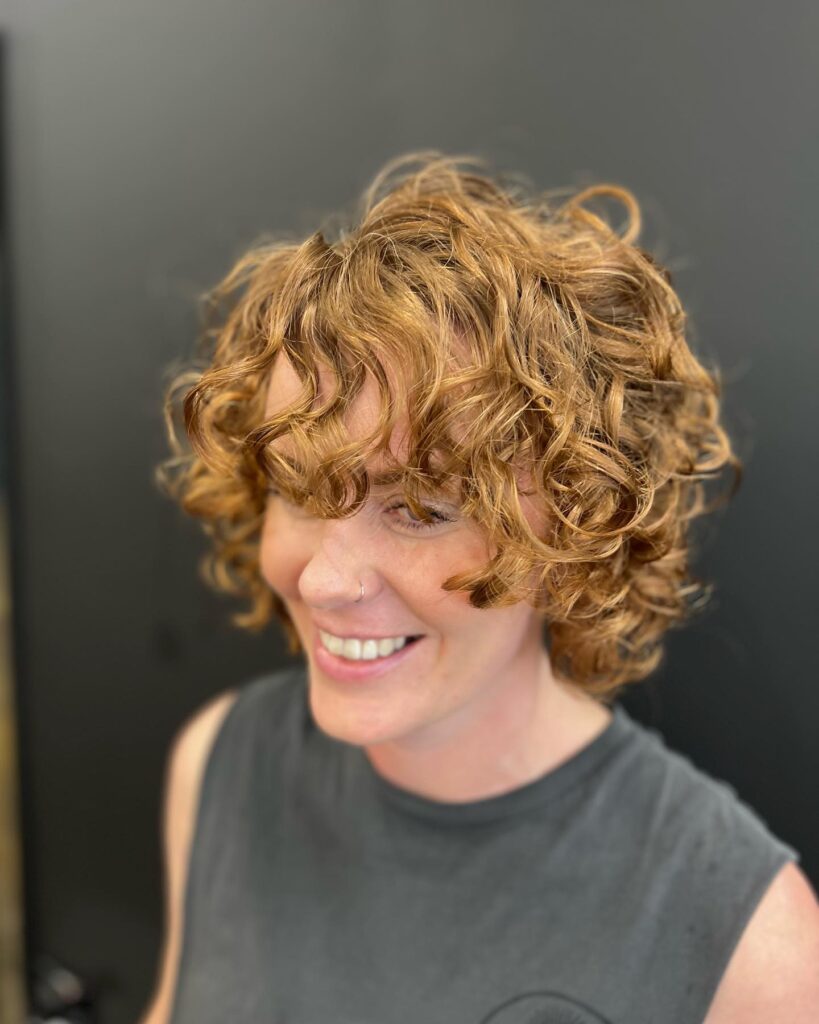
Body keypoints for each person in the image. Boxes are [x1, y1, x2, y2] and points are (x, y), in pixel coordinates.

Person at [141, 152, 819, 1024]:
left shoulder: (750, 945)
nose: (322, 579)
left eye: (419, 507)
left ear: (578, 529)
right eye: (298, 489)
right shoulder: (223, 764)